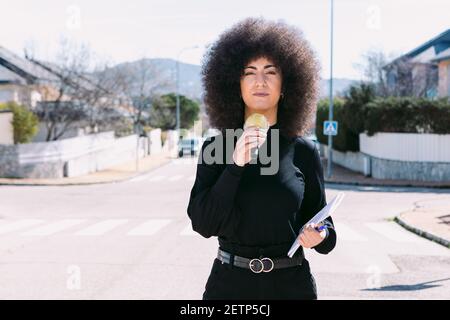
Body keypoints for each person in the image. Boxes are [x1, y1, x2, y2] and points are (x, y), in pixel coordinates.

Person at [187, 17, 337, 300]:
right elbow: (203, 223)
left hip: (292, 286)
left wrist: (321, 236)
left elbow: (326, 230)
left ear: (286, 85)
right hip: (229, 287)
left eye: (270, 72)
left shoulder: (303, 151)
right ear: (235, 84)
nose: (260, 81)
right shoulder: (215, 147)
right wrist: (235, 165)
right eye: (249, 72)